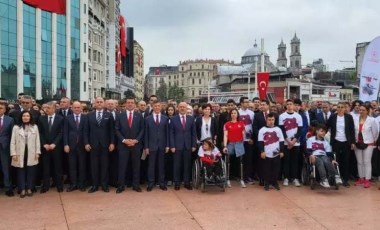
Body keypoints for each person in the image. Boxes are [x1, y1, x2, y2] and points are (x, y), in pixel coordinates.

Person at [84, 97, 115, 193]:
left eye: (101, 102)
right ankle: (95, 185)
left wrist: (112, 143)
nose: (99, 103)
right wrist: (86, 143)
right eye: (97, 102)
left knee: (105, 165)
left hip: (105, 144)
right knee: (94, 166)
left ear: (104, 103)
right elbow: (86, 131)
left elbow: (112, 131)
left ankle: (104, 185)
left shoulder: (109, 115)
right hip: (93, 144)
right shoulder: (89, 115)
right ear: (94, 104)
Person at [115, 97, 144, 193]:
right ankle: (121, 186)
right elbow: (117, 129)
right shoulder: (120, 115)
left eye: (132, 102)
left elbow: (142, 130)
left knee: (136, 166)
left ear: (135, 104)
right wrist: (124, 140)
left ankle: (136, 185)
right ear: (125, 104)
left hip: (136, 145)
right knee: (122, 166)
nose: (130, 104)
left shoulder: (139, 115)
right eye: (128, 103)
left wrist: (136, 140)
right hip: (123, 145)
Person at [10, 111, 41, 198]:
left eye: (27, 116)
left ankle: (29, 188)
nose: (26, 117)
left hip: (31, 152)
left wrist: (37, 152)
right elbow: (12, 142)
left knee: (31, 171)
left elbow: (37, 140)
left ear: (30, 117)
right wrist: (13, 153)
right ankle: (22, 189)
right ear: (21, 117)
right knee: (21, 171)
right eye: (24, 116)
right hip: (19, 152)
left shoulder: (35, 127)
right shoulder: (16, 127)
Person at [169, 102, 197, 191]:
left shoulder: (191, 119)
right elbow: (171, 133)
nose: (182, 108)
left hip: (188, 146)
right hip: (177, 146)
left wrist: (193, 145)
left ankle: (187, 182)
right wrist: (172, 146)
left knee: (187, 165)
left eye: (184, 107)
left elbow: (194, 133)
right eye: (180, 107)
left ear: (186, 108)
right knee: (177, 165)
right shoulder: (173, 119)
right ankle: (177, 182)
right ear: (178, 108)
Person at [327, 102, 355, 187]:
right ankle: (334, 178)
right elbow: (326, 126)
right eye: (338, 107)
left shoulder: (349, 117)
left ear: (344, 108)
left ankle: (345, 179)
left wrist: (353, 142)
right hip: (336, 141)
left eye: (342, 107)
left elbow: (352, 130)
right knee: (335, 160)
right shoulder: (333, 117)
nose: (340, 108)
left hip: (346, 142)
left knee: (346, 161)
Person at [38, 101, 64, 193]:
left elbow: (61, 133)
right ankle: (45, 186)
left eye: (48, 108)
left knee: (57, 167)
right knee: (46, 167)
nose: (46, 110)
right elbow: (40, 133)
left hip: (56, 147)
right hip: (45, 147)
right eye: (45, 108)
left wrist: (54, 144)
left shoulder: (60, 119)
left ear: (54, 109)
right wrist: (44, 144)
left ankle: (59, 185)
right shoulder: (41, 118)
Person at [144, 100, 169, 191]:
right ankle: (150, 183)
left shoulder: (165, 118)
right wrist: (146, 147)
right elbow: (145, 134)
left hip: (162, 146)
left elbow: (167, 133)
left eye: (159, 106)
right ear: (152, 107)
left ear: (161, 107)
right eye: (155, 106)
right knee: (151, 165)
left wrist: (167, 145)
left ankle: (161, 183)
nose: (157, 107)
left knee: (161, 165)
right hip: (151, 146)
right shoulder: (147, 119)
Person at [63, 101, 88, 192]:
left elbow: (86, 132)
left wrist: (86, 143)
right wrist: (66, 144)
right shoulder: (67, 118)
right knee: (72, 166)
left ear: (81, 108)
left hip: (82, 146)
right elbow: (65, 132)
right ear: (72, 108)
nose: (77, 109)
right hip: (71, 146)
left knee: (82, 166)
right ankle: (73, 184)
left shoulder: (85, 118)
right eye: (75, 107)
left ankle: (81, 184)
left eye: (78, 107)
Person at [353, 104, 379, 188]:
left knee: (367, 162)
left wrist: (372, 140)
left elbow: (376, 132)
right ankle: (361, 178)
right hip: (358, 143)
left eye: (363, 110)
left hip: (368, 143)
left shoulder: (372, 120)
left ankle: (367, 179)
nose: (361, 111)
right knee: (359, 162)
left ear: (367, 111)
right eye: (360, 110)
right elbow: (354, 131)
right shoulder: (355, 119)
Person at [279, 99, 303, 187]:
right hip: (286, 143)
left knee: (295, 161)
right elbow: (282, 129)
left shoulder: (298, 116)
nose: (289, 105)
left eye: (291, 104)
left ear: (293, 105)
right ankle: (286, 178)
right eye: (288, 104)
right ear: (286, 106)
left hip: (295, 143)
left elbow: (300, 129)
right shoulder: (282, 116)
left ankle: (295, 178)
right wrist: (288, 141)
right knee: (286, 161)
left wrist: (293, 141)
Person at [258, 113, 284, 191]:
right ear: (266, 120)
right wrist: (262, 151)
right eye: (269, 120)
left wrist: (282, 151)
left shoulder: (278, 129)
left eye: (272, 120)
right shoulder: (262, 130)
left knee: (276, 169)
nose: (271, 121)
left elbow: (281, 141)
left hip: (276, 153)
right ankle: (267, 183)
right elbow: (260, 142)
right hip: (266, 153)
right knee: (266, 169)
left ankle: (274, 182)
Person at [223, 109, 246, 188]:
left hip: (239, 144)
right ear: (230, 115)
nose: (233, 114)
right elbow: (225, 135)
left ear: (237, 114)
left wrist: (242, 143)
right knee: (228, 162)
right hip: (230, 144)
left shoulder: (241, 123)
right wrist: (225, 146)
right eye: (232, 113)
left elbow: (243, 135)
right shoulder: (227, 124)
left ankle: (241, 179)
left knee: (240, 163)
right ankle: (228, 179)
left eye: (235, 113)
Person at [238, 97, 255, 185]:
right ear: (241, 103)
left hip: (249, 140)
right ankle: (240, 176)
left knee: (249, 159)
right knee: (241, 159)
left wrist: (252, 138)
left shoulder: (252, 113)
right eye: (245, 102)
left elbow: (253, 127)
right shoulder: (237, 113)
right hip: (239, 139)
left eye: (248, 102)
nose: (247, 104)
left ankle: (248, 176)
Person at [0, 103, 15, 196]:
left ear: (5, 110)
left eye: (1, 108)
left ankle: (8, 188)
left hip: (4, 148)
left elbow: (12, 135)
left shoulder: (10, 120)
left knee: (6, 168)